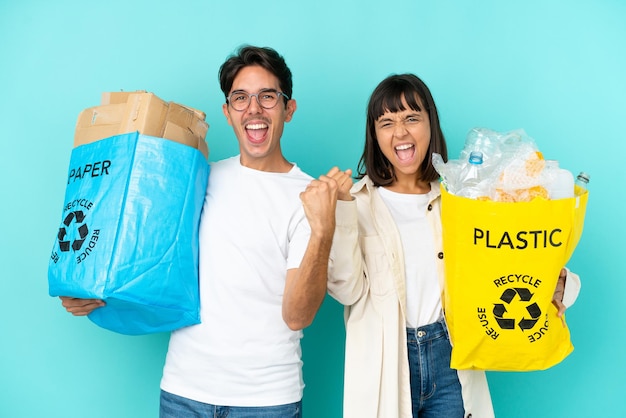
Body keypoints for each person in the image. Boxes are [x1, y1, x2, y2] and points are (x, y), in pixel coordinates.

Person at [60, 45, 343, 417]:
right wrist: (91, 290)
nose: (253, 109)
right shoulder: (199, 177)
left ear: (288, 109)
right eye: (240, 98)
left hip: (265, 401)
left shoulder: (308, 197)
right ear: (227, 112)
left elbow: (297, 315)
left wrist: (322, 230)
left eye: (267, 96)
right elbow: (148, 256)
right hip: (183, 392)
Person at [325, 73, 581, 418]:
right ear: (375, 134)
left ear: (431, 124)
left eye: (411, 118)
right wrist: (339, 209)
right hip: (387, 360)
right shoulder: (356, 203)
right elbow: (346, 290)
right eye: (386, 123)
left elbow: (514, 258)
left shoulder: (463, 201)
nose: (400, 132)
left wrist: (562, 284)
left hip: (450, 358)